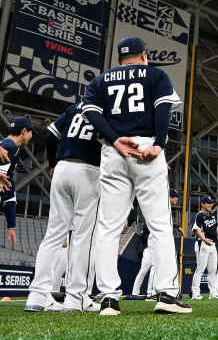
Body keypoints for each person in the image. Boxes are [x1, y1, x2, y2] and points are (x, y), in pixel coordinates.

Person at [82, 36, 190, 315]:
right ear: (144, 55)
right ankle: (166, 294)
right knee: (160, 225)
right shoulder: (156, 74)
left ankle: (107, 298)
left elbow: (91, 113)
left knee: (107, 228)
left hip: (114, 150)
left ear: (120, 59)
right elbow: (163, 108)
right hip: (146, 148)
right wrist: (159, 144)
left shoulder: (101, 80)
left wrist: (116, 140)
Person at [24, 106, 101, 313]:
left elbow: (51, 135)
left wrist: (52, 163)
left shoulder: (75, 107)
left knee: (53, 234)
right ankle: (77, 297)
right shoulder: (108, 108)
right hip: (89, 170)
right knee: (84, 237)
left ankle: (37, 295)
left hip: (62, 168)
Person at [128, 189, 186, 300]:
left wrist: (176, 226)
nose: (177, 199)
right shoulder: (161, 205)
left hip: (155, 239)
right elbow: (151, 224)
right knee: (151, 268)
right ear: (169, 197)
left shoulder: (165, 207)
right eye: (175, 196)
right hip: (153, 240)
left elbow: (167, 223)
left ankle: (153, 292)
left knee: (156, 266)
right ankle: (149, 293)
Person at [1, 118, 32, 248]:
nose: (31, 136)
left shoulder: (7, 145)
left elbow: (8, 190)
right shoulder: (11, 146)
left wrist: (11, 226)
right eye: (31, 132)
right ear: (24, 131)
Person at [191, 196, 218, 300]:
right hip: (202, 243)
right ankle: (195, 294)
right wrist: (204, 239)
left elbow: (216, 230)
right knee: (200, 269)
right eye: (208, 203)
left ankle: (213, 293)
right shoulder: (198, 216)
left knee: (213, 270)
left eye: (211, 203)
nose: (211, 205)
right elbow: (196, 229)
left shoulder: (212, 216)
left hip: (212, 244)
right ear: (202, 204)